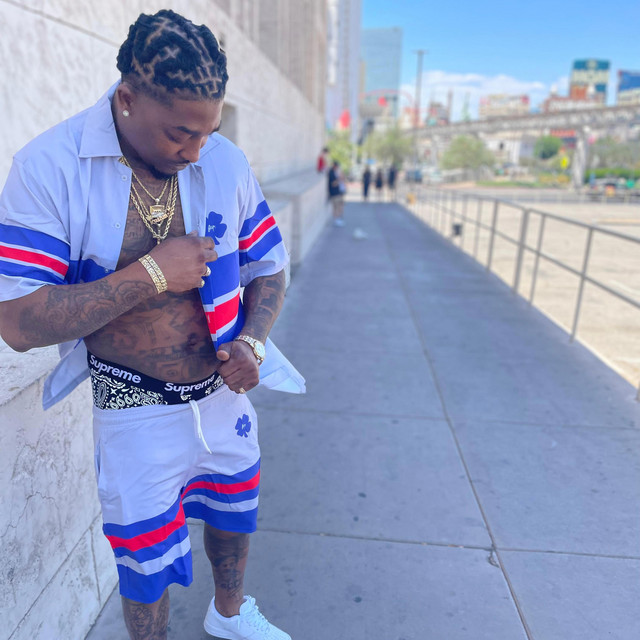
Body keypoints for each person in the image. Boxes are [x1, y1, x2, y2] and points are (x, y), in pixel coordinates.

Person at [0, 10, 304, 640]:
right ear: (127, 99)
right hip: (132, 401)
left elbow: (270, 266)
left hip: (223, 390)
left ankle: (228, 616)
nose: (195, 153)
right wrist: (153, 273)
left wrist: (253, 340)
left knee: (234, 511)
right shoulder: (49, 167)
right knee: (144, 561)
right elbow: (18, 322)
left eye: (206, 133)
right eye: (179, 135)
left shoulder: (222, 161)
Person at [327, 160, 345, 226]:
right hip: (334, 193)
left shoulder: (335, 172)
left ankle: (338, 219)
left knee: (340, 206)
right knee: (336, 207)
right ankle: (336, 220)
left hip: (338, 192)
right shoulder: (331, 173)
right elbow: (333, 184)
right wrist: (339, 179)